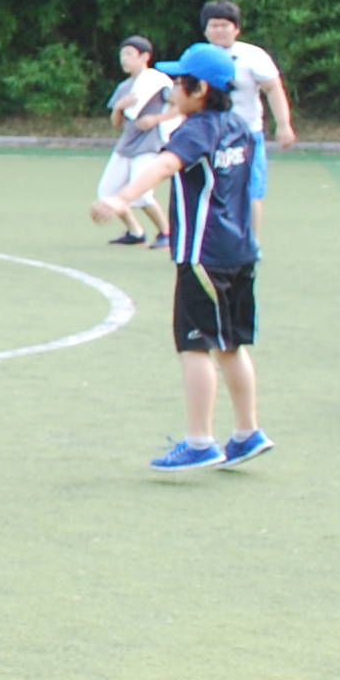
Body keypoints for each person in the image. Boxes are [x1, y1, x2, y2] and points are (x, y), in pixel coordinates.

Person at [89, 39, 272, 472]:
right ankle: (247, 432)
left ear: (199, 89)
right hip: (239, 251)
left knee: (195, 345)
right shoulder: (239, 126)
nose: (172, 89)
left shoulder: (196, 129)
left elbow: (166, 165)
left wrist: (121, 198)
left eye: (178, 82)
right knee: (230, 344)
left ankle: (200, 441)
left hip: (204, 254)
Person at [197, 0, 295, 244]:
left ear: (237, 28)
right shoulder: (198, 56)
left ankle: (251, 243)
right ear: (205, 29)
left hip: (247, 134)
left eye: (225, 25)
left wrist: (283, 125)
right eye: (214, 25)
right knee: (210, 189)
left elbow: (273, 88)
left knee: (250, 190)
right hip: (209, 134)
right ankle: (211, 243)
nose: (220, 30)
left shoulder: (252, 55)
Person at [94, 37, 174, 246]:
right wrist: (119, 106)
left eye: (129, 54)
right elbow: (116, 124)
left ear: (145, 57)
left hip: (149, 145)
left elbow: (179, 107)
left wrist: (156, 119)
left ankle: (166, 233)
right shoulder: (124, 87)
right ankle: (135, 232)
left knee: (142, 196)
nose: (124, 59)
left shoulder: (158, 83)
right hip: (126, 146)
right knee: (107, 193)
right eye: (122, 55)